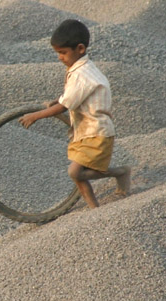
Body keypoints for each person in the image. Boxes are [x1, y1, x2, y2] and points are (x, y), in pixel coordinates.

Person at [18, 18, 131, 209]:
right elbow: (74, 97)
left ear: (80, 49)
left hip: (97, 131)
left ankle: (120, 172)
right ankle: (93, 208)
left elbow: (65, 106)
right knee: (77, 172)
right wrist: (59, 100)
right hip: (85, 131)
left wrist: (35, 115)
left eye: (62, 52)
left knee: (75, 172)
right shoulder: (81, 69)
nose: (59, 57)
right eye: (57, 53)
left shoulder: (81, 74)